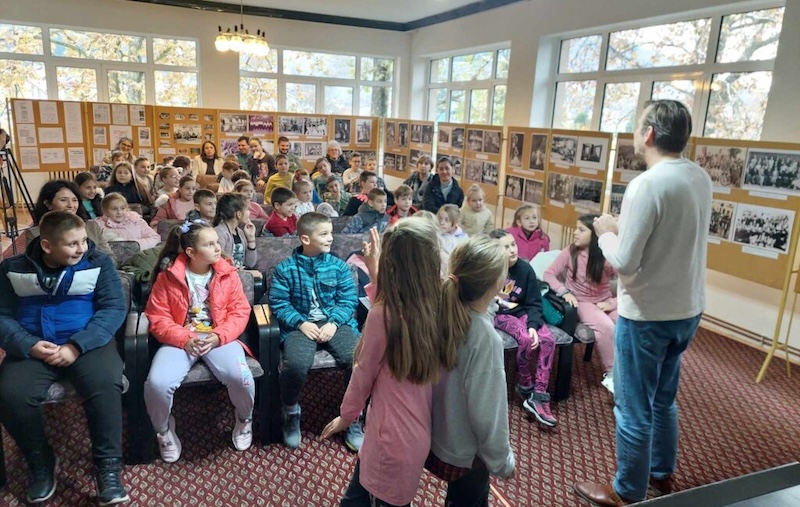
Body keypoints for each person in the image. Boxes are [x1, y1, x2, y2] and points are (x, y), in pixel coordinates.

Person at [574, 100, 712, 506]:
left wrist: (606, 230)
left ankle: (627, 491)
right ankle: (660, 471)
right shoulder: (699, 177)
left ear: (649, 133)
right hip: (687, 308)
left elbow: (624, 262)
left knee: (632, 406)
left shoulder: (646, 185)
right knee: (664, 398)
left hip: (648, 313)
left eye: (637, 126)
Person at [0, 211, 130, 505]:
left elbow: (113, 309)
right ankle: (41, 462)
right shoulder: (12, 268)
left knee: (105, 385)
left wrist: (76, 346)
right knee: (11, 394)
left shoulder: (98, 263)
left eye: (84, 240)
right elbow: (2, 315)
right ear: (47, 246)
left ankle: (108, 467)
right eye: (73, 243)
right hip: (34, 345)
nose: (82, 248)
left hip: (87, 343)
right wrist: (29, 344)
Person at [322, 218, 443, 507]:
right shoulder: (438, 305)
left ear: (391, 265)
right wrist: (376, 272)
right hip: (413, 437)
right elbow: (399, 316)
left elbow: (363, 373)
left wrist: (347, 416)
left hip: (387, 441)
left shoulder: (383, 315)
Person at [144, 221, 255, 463]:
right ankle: (163, 431)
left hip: (218, 336)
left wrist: (218, 336)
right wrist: (184, 338)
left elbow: (239, 312)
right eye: (209, 244)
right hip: (181, 339)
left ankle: (244, 419)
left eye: (217, 242)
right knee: (157, 383)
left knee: (242, 378)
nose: (218, 248)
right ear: (191, 252)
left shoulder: (228, 274)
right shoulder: (168, 276)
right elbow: (158, 317)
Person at [429, 236, 515, 506]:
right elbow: (488, 414)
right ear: (498, 283)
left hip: (436, 437)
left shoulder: (441, 311)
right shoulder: (485, 339)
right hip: (466, 453)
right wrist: (502, 461)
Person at [269, 213, 362, 450]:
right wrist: (301, 323)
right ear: (305, 239)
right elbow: (279, 303)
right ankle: (291, 410)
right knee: (296, 365)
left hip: (334, 323)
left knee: (357, 361)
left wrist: (333, 322)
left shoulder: (338, 266)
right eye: (324, 234)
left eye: (331, 233)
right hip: (300, 325)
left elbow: (348, 300)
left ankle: (353, 416)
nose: (331, 238)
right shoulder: (285, 269)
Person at [489, 229, 557, 427]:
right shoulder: (489, 269)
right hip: (500, 314)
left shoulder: (525, 269)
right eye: (505, 247)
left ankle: (539, 395)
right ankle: (525, 384)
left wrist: (533, 325)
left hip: (523, 311)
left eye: (513, 245)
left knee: (547, 340)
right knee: (525, 339)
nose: (512, 250)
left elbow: (534, 303)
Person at [544, 214, 618, 394]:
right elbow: (549, 274)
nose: (575, 233)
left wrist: (612, 303)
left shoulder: (607, 254)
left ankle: (628, 370)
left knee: (628, 324)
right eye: (576, 228)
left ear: (595, 234)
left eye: (581, 230)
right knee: (607, 327)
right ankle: (612, 375)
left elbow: (628, 283)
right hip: (582, 302)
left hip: (606, 300)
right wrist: (564, 291)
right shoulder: (571, 251)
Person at [28, 180, 114, 259]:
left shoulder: (92, 226)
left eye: (74, 200)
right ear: (48, 204)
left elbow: (110, 258)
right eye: (63, 200)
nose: (71, 205)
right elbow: (34, 264)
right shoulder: (35, 233)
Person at [96, 193, 161, 250]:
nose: (119, 212)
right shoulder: (97, 225)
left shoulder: (136, 221)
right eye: (114, 209)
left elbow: (155, 238)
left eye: (122, 208)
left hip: (137, 256)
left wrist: (133, 245)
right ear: (105, 210)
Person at [213, 193, 257, 270]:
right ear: (239, 214)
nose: (249, 212)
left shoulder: (240, 232)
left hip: (239, 273)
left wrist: (251, 239)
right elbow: (219, 263)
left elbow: (250, 264)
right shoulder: (219, 232)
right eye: (247, 209)